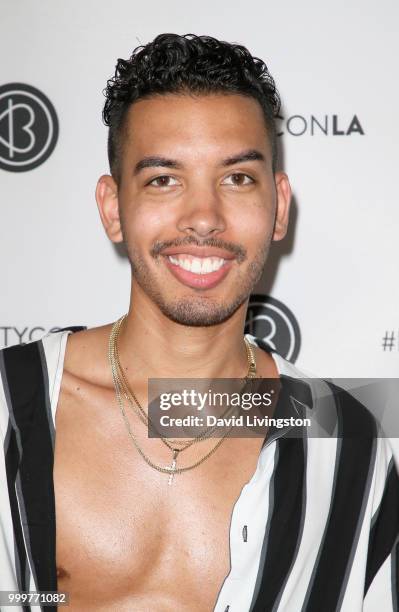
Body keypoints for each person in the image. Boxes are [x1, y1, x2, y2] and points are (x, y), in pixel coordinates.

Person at [0, 33, 397, 612]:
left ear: (279, 206)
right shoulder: (11, 404)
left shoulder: (347, 447)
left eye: (237, 178)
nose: (204, 218)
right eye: (164, 179)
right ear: (113, 208)